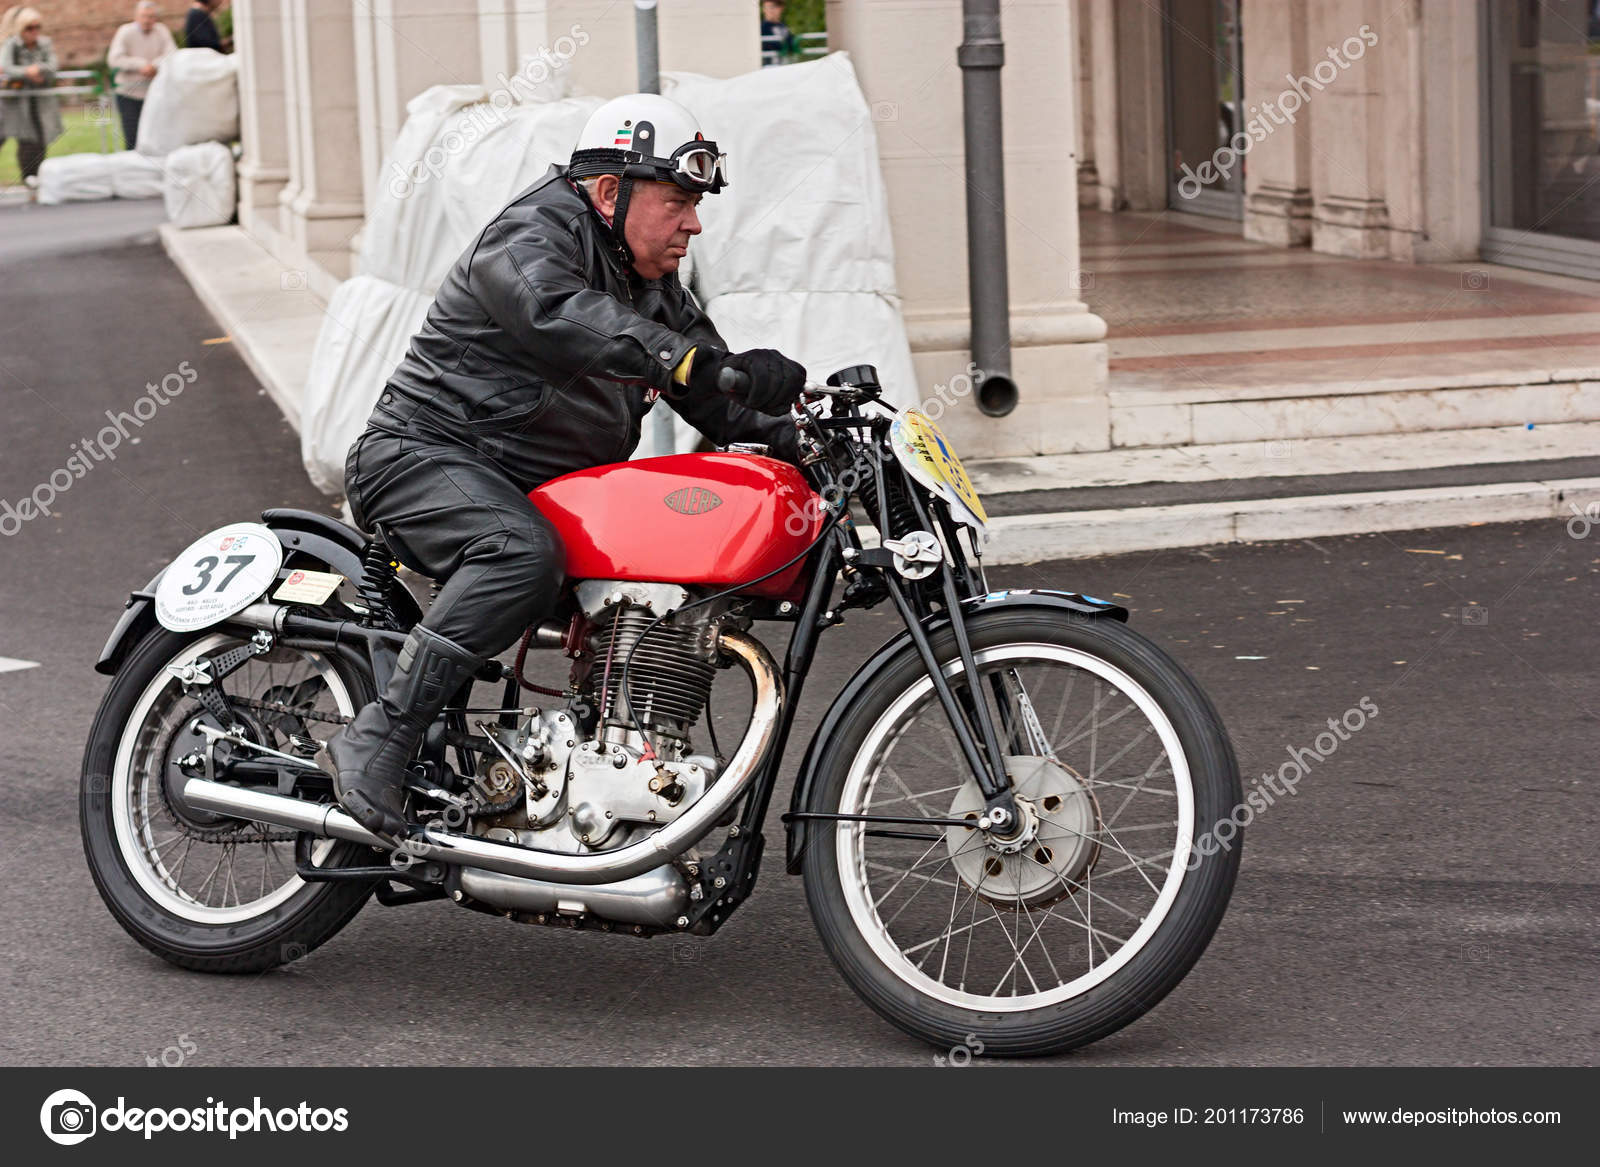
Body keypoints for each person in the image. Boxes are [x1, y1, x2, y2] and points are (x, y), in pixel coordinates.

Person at [328, 94, 808, 841]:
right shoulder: (530, 236)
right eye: (678, 201)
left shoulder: (652, 287)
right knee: (519, 554)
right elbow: (560, 312)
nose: (695, 223)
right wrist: (688, 362)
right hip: (424, 455)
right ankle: (379, 739)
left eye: (696, 205)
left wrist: (811, 432)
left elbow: (722, 396)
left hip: (530, 490)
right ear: (611, 194)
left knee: (657, 587)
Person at [1, 8, 60, 189]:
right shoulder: (11, 44)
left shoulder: (44, 44)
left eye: (37, 27)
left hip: (36, 101)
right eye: (29, 27)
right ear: (20, 28)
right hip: (11, 102)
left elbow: (53, 65)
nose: (34, 31)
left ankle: (32, 177)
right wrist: (27, 72)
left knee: (33, 139)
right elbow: (5, 67)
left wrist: (38, 69)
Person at [107, 2, 175, 150]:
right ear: (136, 16)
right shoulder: (125, 31)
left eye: (151, 17)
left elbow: (171, 53)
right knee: (132, 137)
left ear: (155, 18)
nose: (147, 20)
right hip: (129, 94)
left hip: (154, 93)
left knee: (157, 136)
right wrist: (140, 65)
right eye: (144, 16)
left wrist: (155, 65)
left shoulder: (161, 31)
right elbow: (114, 59)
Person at [759, 0, 799, 66]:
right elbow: (769, 45)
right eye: (770, 7)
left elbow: (792, 44)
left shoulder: (783, 27)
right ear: (764, 8)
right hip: (768, 66)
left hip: (783, 65)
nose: (773, 10)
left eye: (776, 6)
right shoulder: (762, 28)